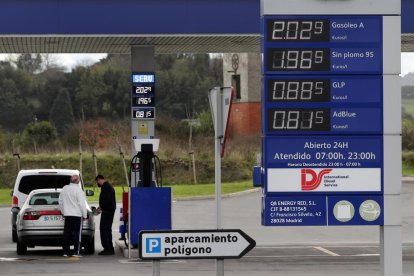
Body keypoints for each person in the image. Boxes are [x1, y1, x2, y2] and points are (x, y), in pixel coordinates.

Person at [59, 175, 87, 257]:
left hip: (67, 214)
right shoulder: (79, 190)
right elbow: (82, 204)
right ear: (77, 181)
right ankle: (76, 252)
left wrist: (63, 212)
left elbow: (60, 201)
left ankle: (65, 252)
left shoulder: (64, 189)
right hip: (77, 214)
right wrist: (84, 215)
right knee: (77, 233)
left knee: (67, 233)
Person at [95, 174, 116, 255]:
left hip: (107, 211)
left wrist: (100, 207)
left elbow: (106, 200)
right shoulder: (109, 186)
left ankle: (107, 248)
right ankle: (110, 248)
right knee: (107, 229)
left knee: (104, 229)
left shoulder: (105, 187)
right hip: (109, 210)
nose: (97, 184)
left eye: (97, 182)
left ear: (99, 180)